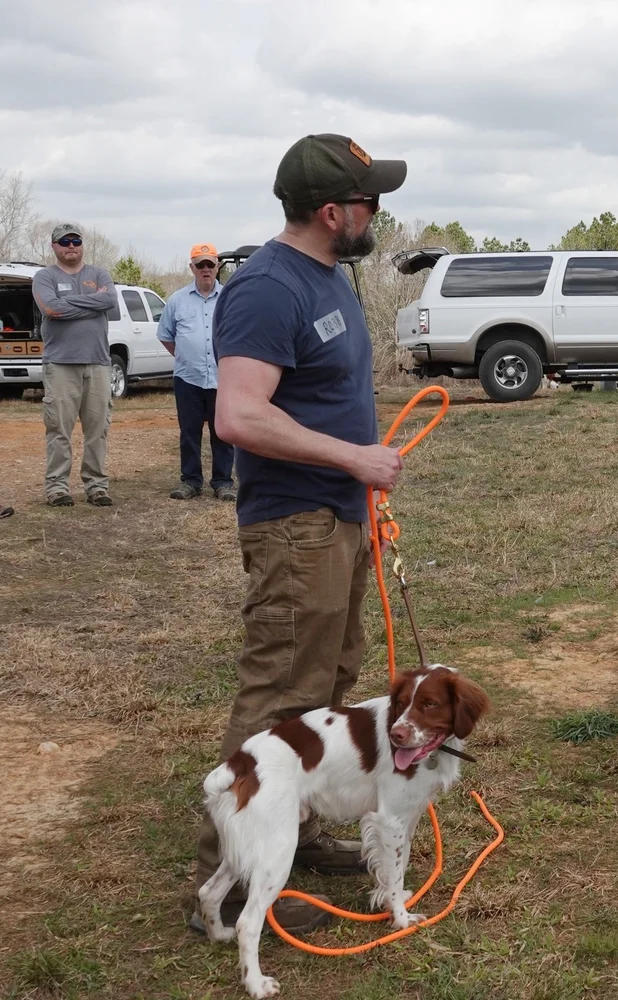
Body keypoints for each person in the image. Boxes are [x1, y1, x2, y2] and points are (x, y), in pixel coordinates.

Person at [190, 133, 407, 936]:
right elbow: (240, 414)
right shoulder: (267, 289)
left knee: (325, 681)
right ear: (331, 211)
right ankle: (234, 876)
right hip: (296, 525)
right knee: (283, 688)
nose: (376, 212)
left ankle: (296, 829)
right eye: (369, 201)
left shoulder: (333, 277)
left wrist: (363, 489)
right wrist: (352, 456)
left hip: (340, 517)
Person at [31, 223, 121, 507]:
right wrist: (92, 304)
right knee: (58, 429)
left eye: (75, 241)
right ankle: (57, 488)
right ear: (54, 246)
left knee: (97, 429)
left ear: (82, 244)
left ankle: (96, 486)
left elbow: (109, 299)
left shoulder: (99, 273)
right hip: (60, 364)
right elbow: (51, 308)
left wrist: (70, 302)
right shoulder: (44, 276)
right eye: (64, 241)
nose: (71, 246)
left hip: (98, 363)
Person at [157, 243, 235, 501]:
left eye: (209, 264)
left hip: (221, 379)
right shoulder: (177, 300)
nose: (205, 269)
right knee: (189, 432)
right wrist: (184, 357)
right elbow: (166, 335)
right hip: (188, 379)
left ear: (217, 267)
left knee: (222, 432)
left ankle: (223, 482)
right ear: (191, 267)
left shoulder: (229, 298)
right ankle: (190, 482)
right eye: (199, 264)